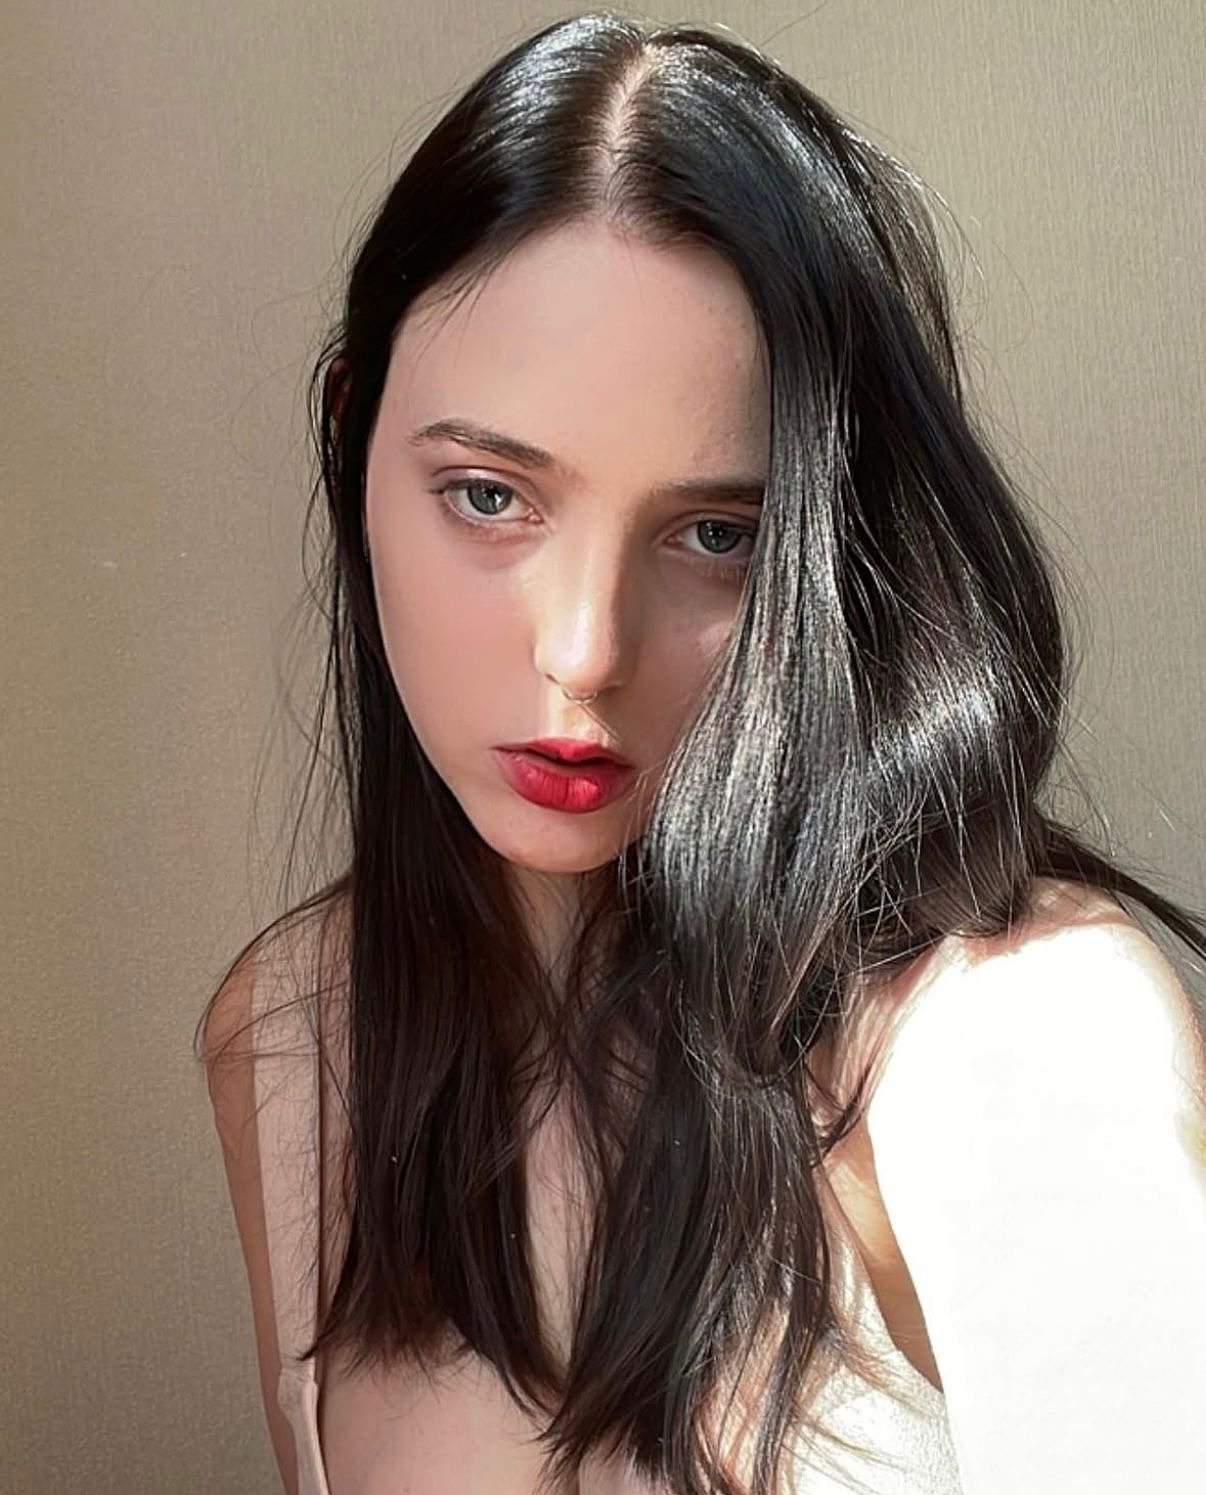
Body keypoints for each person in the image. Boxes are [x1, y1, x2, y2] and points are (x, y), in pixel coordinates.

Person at [197, 11, 1206, 1495]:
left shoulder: (1018, 1043)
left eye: (718, 533)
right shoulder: (297, 1038)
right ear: (353, 443)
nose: (585, 650)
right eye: (490, 496)